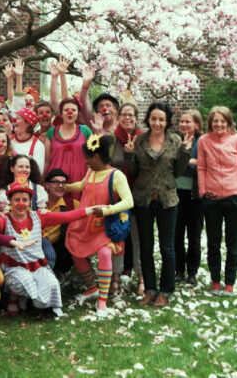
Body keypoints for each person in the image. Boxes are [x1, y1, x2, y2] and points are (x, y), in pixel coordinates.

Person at [0, 181, 94, 317]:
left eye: (25, 200)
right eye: (17, 199)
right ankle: (13, 297)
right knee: (21, 284)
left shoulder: (39, 216)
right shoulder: (4, 219)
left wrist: (91, 210)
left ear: (30, 202)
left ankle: (34, 305)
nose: (21, 203)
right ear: (10, 201)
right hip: (14, 267)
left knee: (52, 284)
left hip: (37, 266)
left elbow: (68, 216)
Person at [125, 102, 192, 308]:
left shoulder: (175, 141)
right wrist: (128, 154)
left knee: (167, 247)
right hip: (143, 199)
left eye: (161, 119)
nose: (157, 123)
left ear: (167, 121)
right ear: (148, 120)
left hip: (167, 199)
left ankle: (166, 290)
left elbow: (178, 172)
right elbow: (133, 172)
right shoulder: (139, 140)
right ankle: (150, 289)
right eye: (154, 118)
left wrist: (185, 153)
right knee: (145, 247)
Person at [65, 135, 134, 315]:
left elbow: (129, 201)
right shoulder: (91, 172)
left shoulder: (116, 175)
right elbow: (82, 185)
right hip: (86, 222)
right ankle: (92, 287)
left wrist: (106, 210)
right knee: (75, 250)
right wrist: (65, 187)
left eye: (88, 157)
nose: (86, 161)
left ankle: (102, 300)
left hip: (105, 225)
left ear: (96, 156)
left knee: (104, 253)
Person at [197, 106, 237, 296]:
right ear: (210, 122)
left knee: (232, 243)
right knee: (213, 243)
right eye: (215, 121)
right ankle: (215, 281)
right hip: (211, 199)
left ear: (228, 122)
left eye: (222, 121)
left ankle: (229, 283)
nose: (218, 124)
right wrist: (203, 191)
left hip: (235, 197)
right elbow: (201, 167)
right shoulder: (204, 141)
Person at [110, 102, 145, 295]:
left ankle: (141, 276)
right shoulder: (112, 139)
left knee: (139, 238)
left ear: (136, 118)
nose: (127, 118)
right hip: (116, 197)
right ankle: (115, 276)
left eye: (131, 115)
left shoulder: (143, 139)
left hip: (138, 195)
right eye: (124, 114)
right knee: (117, 236)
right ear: (118, 117)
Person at [174, 109, 203, 286]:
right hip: (176, 194)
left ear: (197, 125)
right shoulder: (175, 141)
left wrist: (184, 164)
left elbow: (204, 166)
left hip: (195, 195)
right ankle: (179, 270)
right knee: (176, 234)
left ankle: (192, 271)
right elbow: (171, 165)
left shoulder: (202, 143)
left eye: (188, 122)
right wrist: (189, 163)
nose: (184, 124)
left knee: (194, 236)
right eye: (182, 121)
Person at [44, 98, 93, 200]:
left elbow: (92, 159)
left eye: (73, 110)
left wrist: (89, 179)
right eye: (66, 110)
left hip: (79, 178)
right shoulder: (51, 132)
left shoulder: (86, 130)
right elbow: (47, 160)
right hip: (56, 179)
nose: (70, 112)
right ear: (61, 113)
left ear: (78, 113)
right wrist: (43, 180)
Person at [42, 168, 80, 277]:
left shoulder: (72, 204)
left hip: (58, 248)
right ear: (46, 185)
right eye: (56, 182)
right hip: (35, 244)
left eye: (63, 183)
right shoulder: (37, 202)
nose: (60, 185)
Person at [13, 108, 47, 175]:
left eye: (18, 118)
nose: (14, 120)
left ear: (28, 123)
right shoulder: (8, 141)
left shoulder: (38, 146)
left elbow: (38, 172)